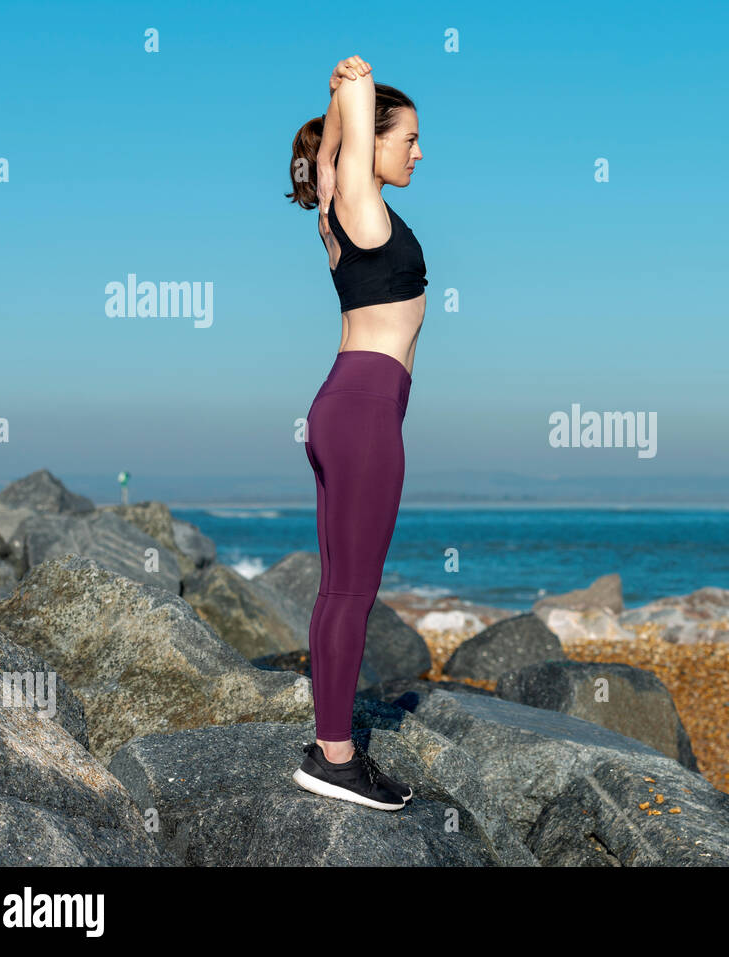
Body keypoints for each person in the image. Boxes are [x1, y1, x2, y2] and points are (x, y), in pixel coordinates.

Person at [284, 55, 426, 811]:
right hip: (367, 411)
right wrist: (353, 77)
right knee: (351, 590)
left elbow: (332, 155)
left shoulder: (336, 206)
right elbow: (348, 147)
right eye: (408, 137)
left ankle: (329, 740)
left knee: (339, 586)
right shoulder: (363, 208)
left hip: (340, 405)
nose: (419, 151)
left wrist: (337, 101)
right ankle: (335, 757)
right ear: (376, 146)